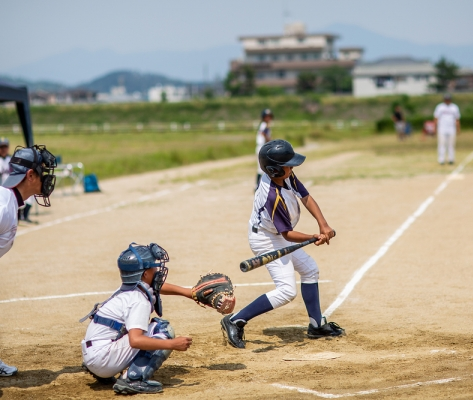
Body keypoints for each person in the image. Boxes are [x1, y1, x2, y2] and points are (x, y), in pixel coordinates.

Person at [221, 139, 344, 349]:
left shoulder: (285, 176)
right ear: (275, 170)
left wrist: (323, 225)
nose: (293, 167)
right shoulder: (272, 196)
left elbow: (305, 196)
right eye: (289, 164)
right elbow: (287, 234)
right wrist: (313, 237)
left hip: (278, 234)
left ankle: (316, 325)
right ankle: (234, 320)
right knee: (287, 290)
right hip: (266, 239)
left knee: (310, 270)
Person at [80, 242, 194, 395]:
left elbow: (158, 287)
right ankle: (134, 379)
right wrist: (172, 344)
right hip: (103, 360)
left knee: (144, 327)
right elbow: (136, 341)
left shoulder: (128, 289)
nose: (157, 270)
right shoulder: (138, 300)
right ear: (145, 274)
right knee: (162, 330)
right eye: (153, 267)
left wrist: (189, 292)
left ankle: (106, 370)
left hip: (93, 355)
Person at [0, 145, 57, 377]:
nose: (47, 179)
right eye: (42, 172)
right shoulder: (3, 206)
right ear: (30, 175)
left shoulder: (9, 202)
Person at [433, 94, 461, 165]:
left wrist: (458, 129)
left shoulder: (454, 107)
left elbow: (457, 119)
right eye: (446, 99)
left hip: (451, 128)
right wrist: (435, 128)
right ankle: (441, 159)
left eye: (448, 99)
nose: (447, 101)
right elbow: (436, 118)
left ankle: (451, 159)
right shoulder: (440, 107)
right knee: (442, 144)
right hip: (442, 128)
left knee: (451, 144)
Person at [255, 108, 273, 190]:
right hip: (261, 147)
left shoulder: (265, 124)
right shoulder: (264, 124)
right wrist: (269, 140)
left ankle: (261, 186)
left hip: (263, 147)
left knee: (264, 168)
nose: (268, 118)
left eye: (269, 116)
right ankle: (257, 186)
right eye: (267, 116)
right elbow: (263, 133)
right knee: (261, 168)